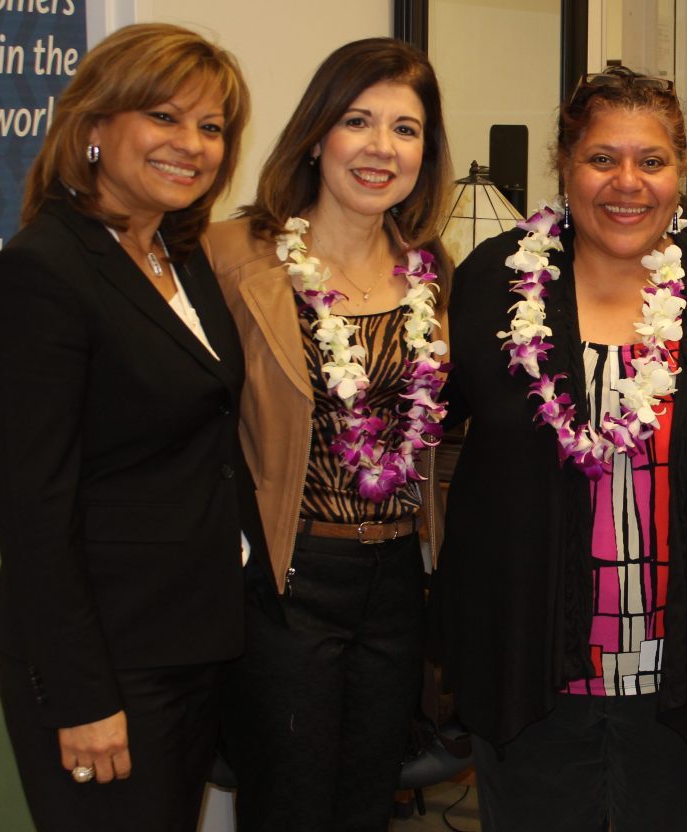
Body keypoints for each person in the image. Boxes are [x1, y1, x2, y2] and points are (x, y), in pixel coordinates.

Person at [430, 66, 687, 831]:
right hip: (532, 672)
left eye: (651, 161)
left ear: (681, 175)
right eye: (601, 159)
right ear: (564, 165)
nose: (627, 183)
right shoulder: (494, 285)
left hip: (679, 681)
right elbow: (418, 422)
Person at [0, 23, 256, 832]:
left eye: (210, 127)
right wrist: (82, 695)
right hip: (107, 660)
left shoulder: (176, 254)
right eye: (165, 118)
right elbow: (33, 508)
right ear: (95, 127)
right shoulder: (39, 273)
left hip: (189, 639)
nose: (191, 146)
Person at [206, 37, 452, 832]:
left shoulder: (432, 272)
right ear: (317, 134)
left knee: (364, 803)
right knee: (287, 805)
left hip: (393, 580)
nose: (382, 148)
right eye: (358, 121)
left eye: (406, 129)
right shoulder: (232, 256)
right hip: (286, 579)